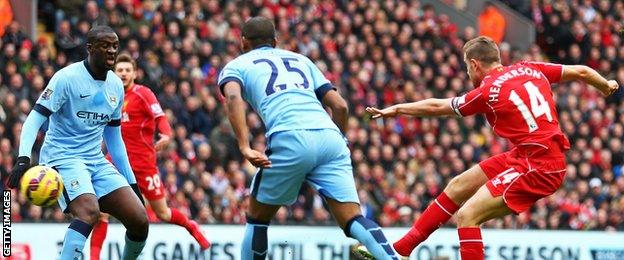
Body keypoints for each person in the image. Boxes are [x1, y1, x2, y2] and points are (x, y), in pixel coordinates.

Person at [365, 36, 619, 259]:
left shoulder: (488, 91)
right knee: (458, 186)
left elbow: (436, 107)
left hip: (539, 166)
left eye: (467, 67)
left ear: (474, 64)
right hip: (528, 155)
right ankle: (403, 248)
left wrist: (398, 109)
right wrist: (605, 85)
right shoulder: (529, 67)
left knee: (467, 216)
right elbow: (583, 72)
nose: (467, 73)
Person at [218, 17, 400, 260]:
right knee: (353, 219)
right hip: (330, 137)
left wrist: (244, 146)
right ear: (275, 42)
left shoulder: (236, 65)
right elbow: (340, 106)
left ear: (243, 42)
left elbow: (232, 98)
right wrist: (340, 138)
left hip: (290, 136)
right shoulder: (301, 59)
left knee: (257, 218)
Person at [7, 26, 149, 260]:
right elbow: (34, 119)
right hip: (62, 157)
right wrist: (23, 158)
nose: (112, 51)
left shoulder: (115, 86)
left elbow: (114, 141)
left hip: (94, 160)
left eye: (115, 46)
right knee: (88, 212)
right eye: (105, 46)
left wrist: (132, 183)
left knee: (139, 220)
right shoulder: (67, 78)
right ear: (90, 49)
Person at [89, 54, 211, 260]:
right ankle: (94, 257)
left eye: (128, 70)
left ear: (135, 73)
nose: (124, 73)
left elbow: (160, 117)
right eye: (120, 70)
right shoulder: (109, 96)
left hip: (145, 165)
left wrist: (166, 134)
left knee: (162, 213)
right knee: (102, 212)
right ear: (114, 73)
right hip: (115, 163)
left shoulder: (143, 93)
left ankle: (192, 227)